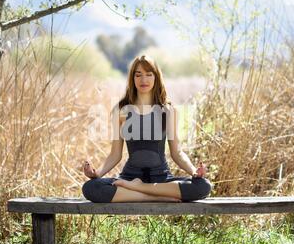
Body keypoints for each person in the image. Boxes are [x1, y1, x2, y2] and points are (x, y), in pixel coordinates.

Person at [82, 55, 213, 203]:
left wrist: (194, 171)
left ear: (156, 77)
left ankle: (140, 189)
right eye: (138, 75)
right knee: (91, 188)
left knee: (203, 186)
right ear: (132, 78)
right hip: (129, 177)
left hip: (161, 179)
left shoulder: (168, 110)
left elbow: (177, 153)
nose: (143, 80)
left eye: (148, 74)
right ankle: (155, 196)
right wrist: (96, 173)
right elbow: (115, 155)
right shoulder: (121, 110)